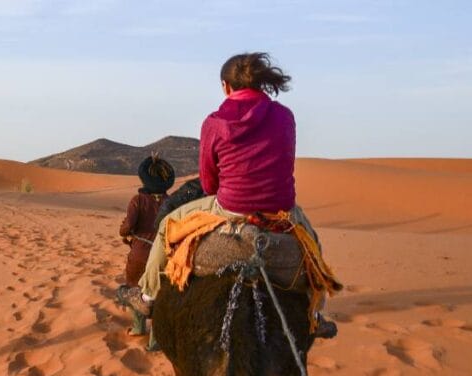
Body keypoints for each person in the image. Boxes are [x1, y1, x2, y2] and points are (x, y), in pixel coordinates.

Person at [123, 52, 337, 338]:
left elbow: (210, 183)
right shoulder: (285, 116)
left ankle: (147, 297)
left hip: (230, 207)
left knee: (165, 228)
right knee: (312, 244)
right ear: (261, 83)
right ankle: (314, 314)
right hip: (280, 210)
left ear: (226, 86)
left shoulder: (214, 122)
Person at [117, 155, 174, 338]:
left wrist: (124, 230)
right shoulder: (171, 201)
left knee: (135, 289)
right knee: (160, 292)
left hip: (140, 253)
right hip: (165, 254)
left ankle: (138, 327)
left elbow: (127, 227)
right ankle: (155, 339)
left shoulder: (137, 200)